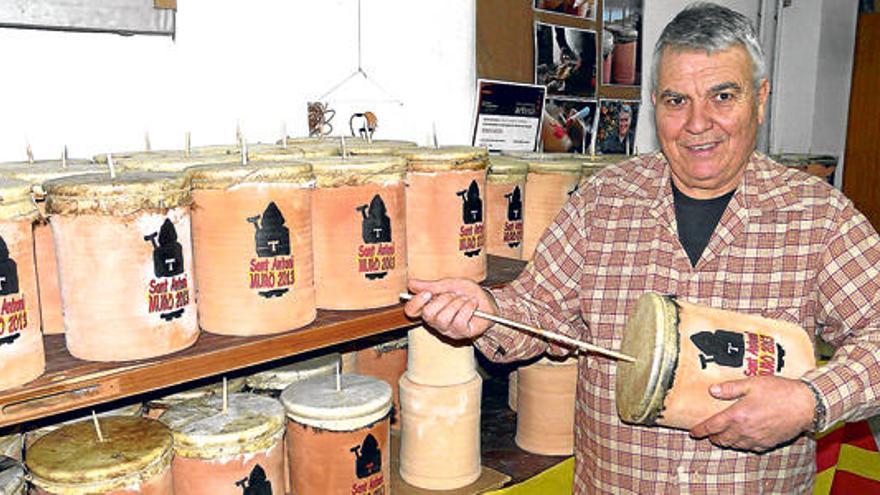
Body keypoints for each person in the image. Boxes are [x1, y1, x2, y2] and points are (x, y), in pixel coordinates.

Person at [404, 2, 880, 493]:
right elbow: (539, 309)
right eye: (677, 100)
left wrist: (810, 400)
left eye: (722, 96)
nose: (698, 123)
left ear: (760, 99)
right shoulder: (602, 201)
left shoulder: (819, 217)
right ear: (655, 103)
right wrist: (488, 310)